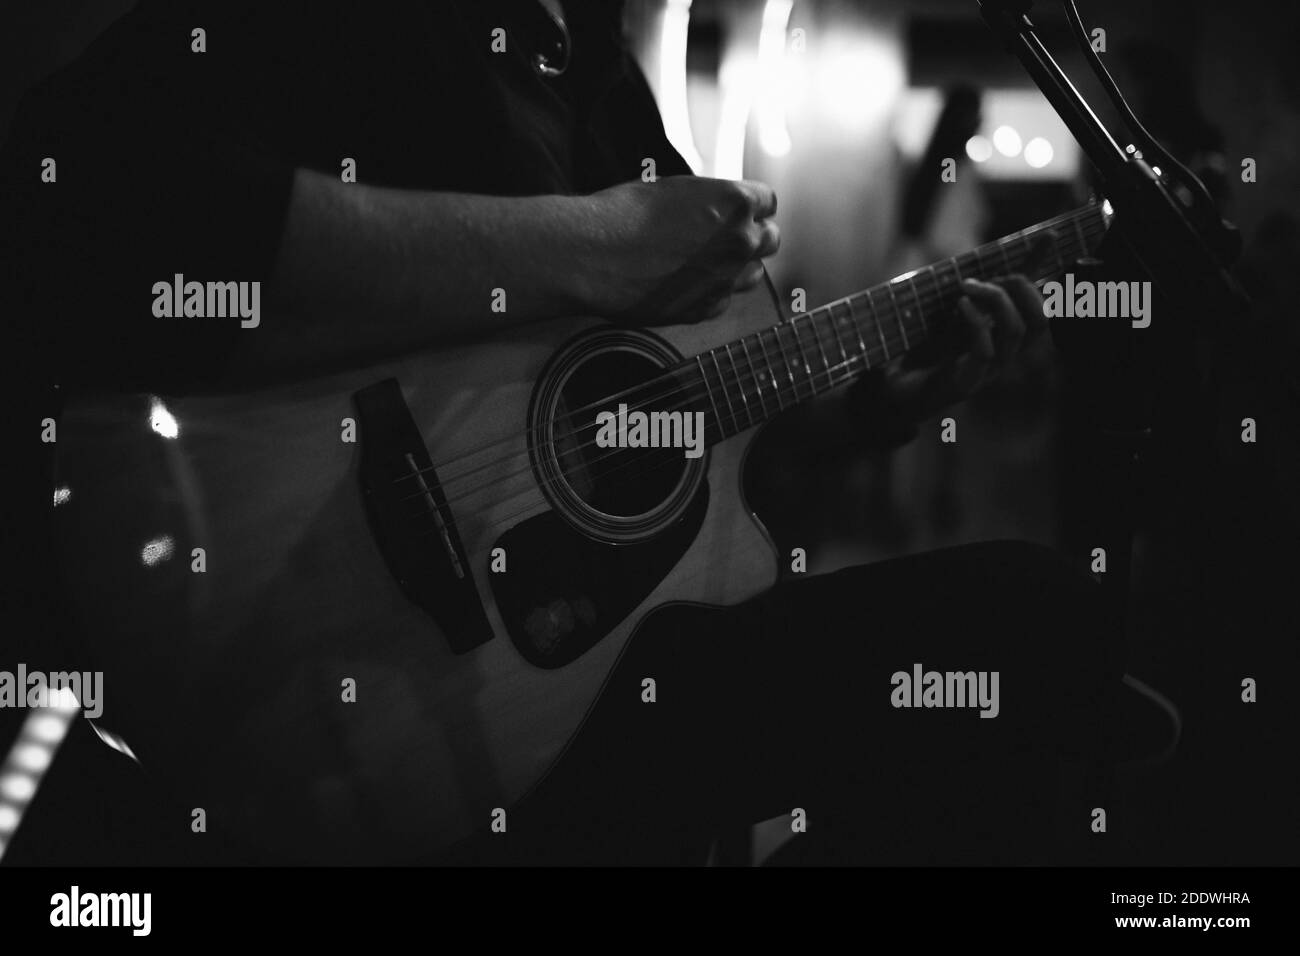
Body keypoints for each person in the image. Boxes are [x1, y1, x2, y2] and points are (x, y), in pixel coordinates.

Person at [0, 0, 1177, 865]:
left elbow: (672, 422)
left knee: (1030, 637)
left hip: (541, 701)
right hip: (248, 621)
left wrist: (866, 413)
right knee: (1024, 628)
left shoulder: (602, 73)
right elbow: (81, 200)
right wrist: (594, 244)